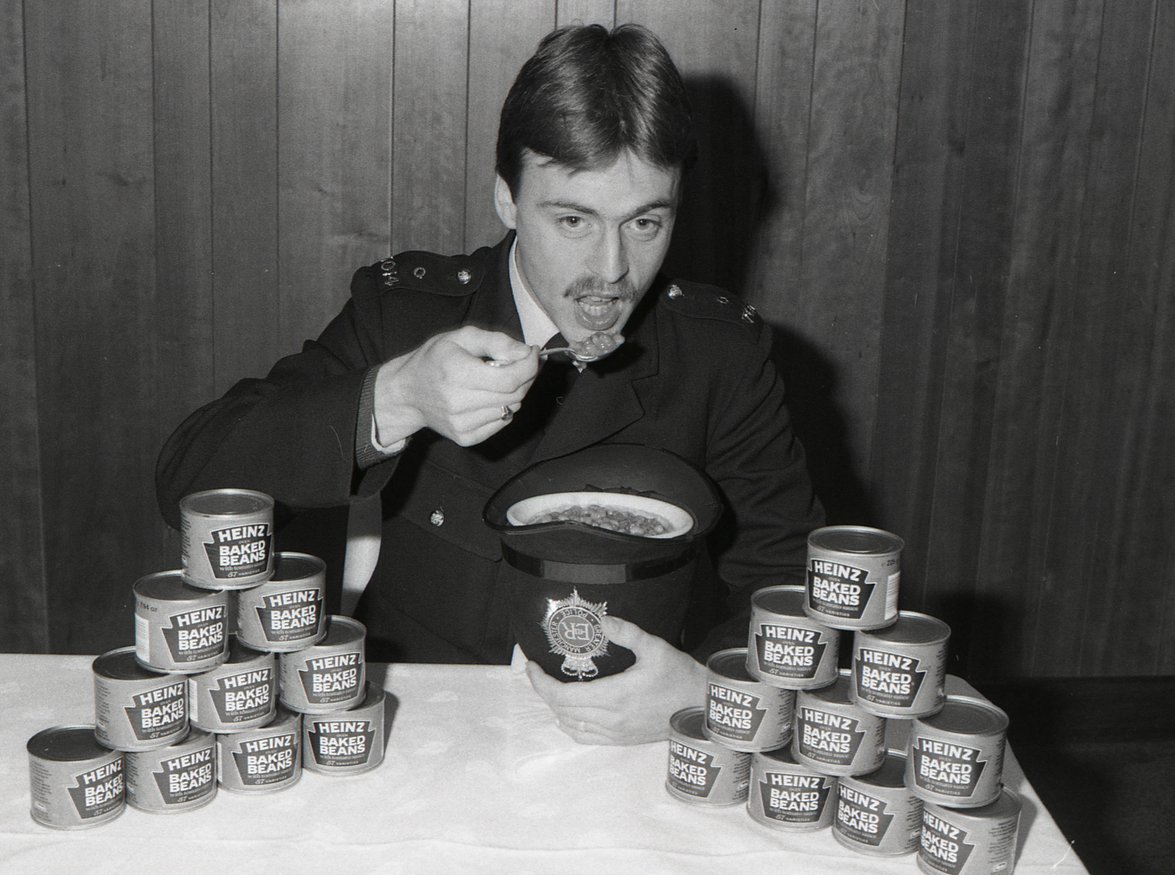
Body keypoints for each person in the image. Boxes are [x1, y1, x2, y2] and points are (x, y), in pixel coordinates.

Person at [156, 23, 824, 745]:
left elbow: (789, 588)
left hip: (629, 749)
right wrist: (397, 394)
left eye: (645, 222)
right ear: (506, 198)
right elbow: (189, 479)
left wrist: (707, 694)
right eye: (573, 218)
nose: (612, 268)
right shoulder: (406, 317)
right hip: (416, 735)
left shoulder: (719, 355)